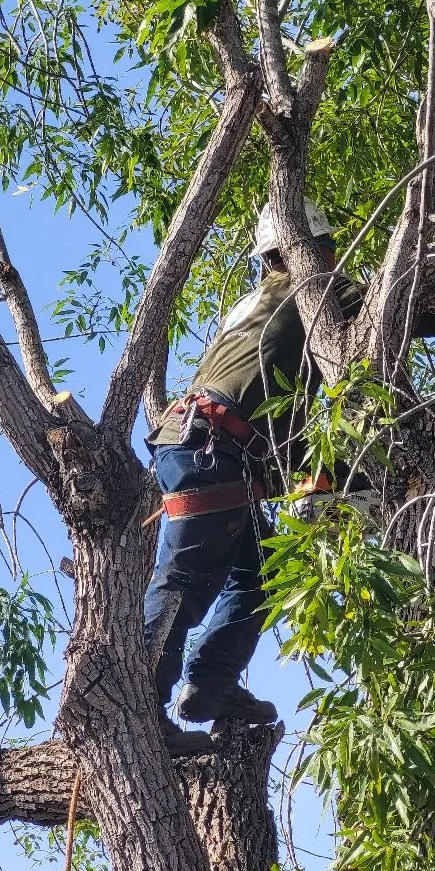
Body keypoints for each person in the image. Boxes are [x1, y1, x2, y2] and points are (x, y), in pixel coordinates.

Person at [144, 198, 363, 755]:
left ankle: (211, 685)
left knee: (264, 572)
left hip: (204, 441)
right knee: (185, 579)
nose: (336, 257)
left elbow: (276, 415)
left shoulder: (255, 303)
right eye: (329, 247)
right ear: (309, 247)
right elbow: (403, 304)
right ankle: (141, 704)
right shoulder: (313, 291)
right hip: (211, 444)